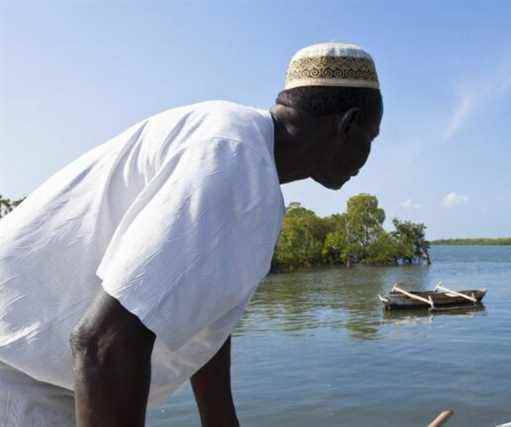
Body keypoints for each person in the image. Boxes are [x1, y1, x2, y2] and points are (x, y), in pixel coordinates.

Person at [0, 42, 382, 427]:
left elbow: (205, 318)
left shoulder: (240, 153)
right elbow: (102, 343)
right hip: (19, 383)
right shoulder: (233, 159)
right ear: (346, 125)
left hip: (53, 383)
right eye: (372, 137)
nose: (369, 156)